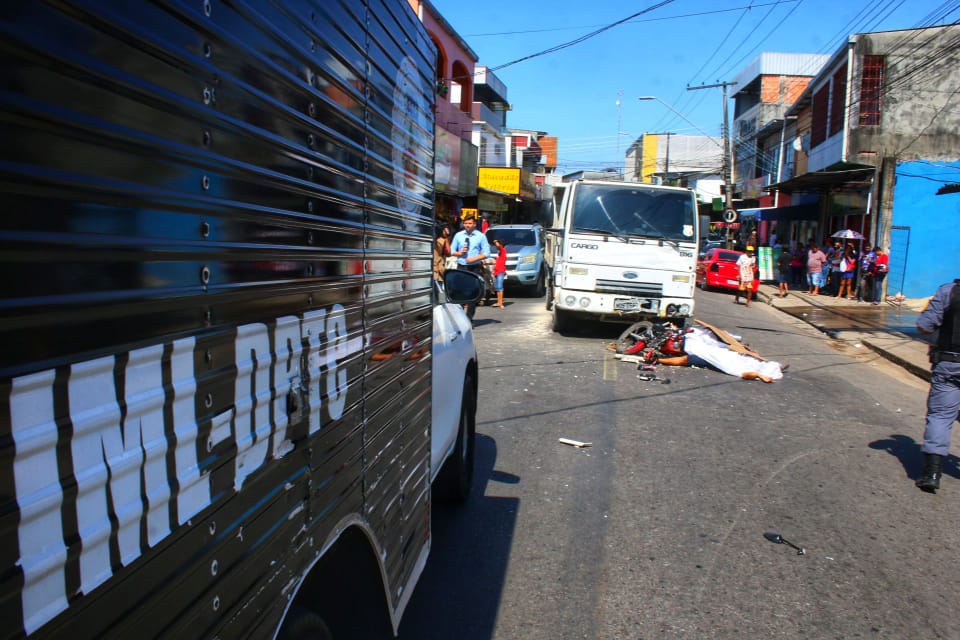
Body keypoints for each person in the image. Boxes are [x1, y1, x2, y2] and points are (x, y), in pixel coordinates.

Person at [915, 279, 960, 493]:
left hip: (950, 363)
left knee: (941, 416)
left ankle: (932, 473)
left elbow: (924, 326)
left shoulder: (949, 291)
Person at [450, 213, 490, 319]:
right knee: (460, 292)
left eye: (470, 223)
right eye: (466, 223)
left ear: (474, 224)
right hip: (461, 266)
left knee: (472, 293)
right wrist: (460, 253)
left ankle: (469, 318)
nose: (467, 225)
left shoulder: (481, 236)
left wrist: (474, 258)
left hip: (474, 267)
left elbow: (487, 253)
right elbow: (451, 251)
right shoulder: (458, 235)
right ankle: (460, 318)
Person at [491, 238, 507, 308]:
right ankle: (499, 302)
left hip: (500, 272)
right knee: (497, 287)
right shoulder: (499, 254)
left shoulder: (503, 250)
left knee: (500, 287)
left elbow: (499, 246)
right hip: (497, 272)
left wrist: (496, 242)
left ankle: (501, 303)